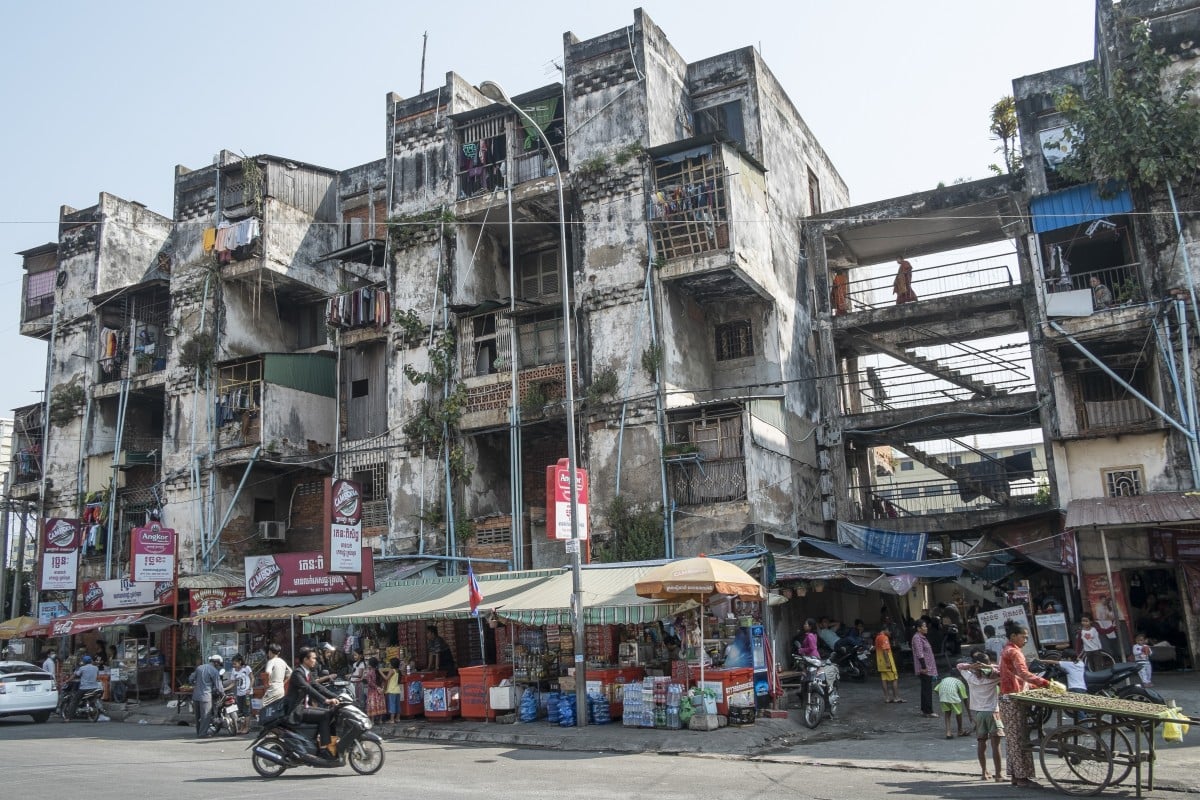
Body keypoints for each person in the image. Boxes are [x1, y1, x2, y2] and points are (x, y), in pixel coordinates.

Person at [998, 620, 1052, 789]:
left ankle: (1016, 775)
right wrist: (1046, 683)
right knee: (1018, 738)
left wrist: (1035, 685)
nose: (1025, 640)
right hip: (1013, 699)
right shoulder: (1014, 652)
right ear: (1013, 636)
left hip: (1009, 697)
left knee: (1014, 738)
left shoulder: (1008, 650)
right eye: (1024, 636)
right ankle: (1022, 777)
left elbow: (1017, 676)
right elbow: (1023, 673)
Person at [957, 649, 1004, 783]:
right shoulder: (994, 678)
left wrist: (972, 666)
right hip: (993, 712)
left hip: (979, 714)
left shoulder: (970, 677)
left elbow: (959, 666)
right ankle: (999, 774)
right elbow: (1002, 669)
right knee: (996, 744)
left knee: (981, 743)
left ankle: (984, 772)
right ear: (988, 664)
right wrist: (989, 667)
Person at [285, 646, 341, 757]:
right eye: (313, 658)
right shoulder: (297, 673)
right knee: (325, 714)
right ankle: (324, 749)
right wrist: (326, 700)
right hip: (296, 710)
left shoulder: (306, 673)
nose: (315, 660)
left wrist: (338, 697)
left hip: (304, 707)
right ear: (305, 660)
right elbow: (308, 689)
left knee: (331, 713)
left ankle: (330, 744)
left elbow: (318, 687)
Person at [190, 654, 225, 738]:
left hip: (196, 696)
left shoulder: (199, 668)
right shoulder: (214, 671)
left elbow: (191, 678)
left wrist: (196, 684)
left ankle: (199, 732)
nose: (218, 666)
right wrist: (223, 694)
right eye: (219, 664)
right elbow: (218, 686)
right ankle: (203, 734)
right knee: (205, 716)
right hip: (206, 696)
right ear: (216, 663)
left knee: (198, 716)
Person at [911, 620, 938, 718]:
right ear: (919, 628)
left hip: (928, 666)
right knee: (927, 689)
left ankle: (925, 710)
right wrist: (924, 667)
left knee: (926, 688)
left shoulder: (922, 638)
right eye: (924, 626)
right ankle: (928, 711)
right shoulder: (917, 638)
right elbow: (919, 653)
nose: (926, 628)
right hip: (925, 668)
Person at [67, 654, 102, 720]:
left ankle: (69, 717)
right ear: (91, 661)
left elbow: (75, 675)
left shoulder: (82, 668)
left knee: (74, 700)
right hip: (94, 687)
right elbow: (97, 677)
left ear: (84, 662)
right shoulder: (96, 668)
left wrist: (68, 680)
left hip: (84, 688)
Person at [935, 672, 969, 738]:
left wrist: (942, 696)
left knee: (947, 713)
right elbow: (965, 698)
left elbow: (936, 690)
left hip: (943, 697)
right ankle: (960, 730)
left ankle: (948, 732)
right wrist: (969, 714)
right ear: (960, 677)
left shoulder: (945, 679)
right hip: (953, 696)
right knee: (959, 713)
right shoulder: (959, 682)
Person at [874, 626, 903, 704]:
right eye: (889, 631)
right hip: (887, 662)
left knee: (884, 680)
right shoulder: (884, 638)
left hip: (880, 662)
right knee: (894, 679)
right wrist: (887, 662)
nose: (890, 633)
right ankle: (896, 697)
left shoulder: (877, 638)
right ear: (885, 630)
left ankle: (887, 698)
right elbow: (885, 651)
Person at [231, 654, 253, 731]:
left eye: (235, 663)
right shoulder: (233, 670)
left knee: (247, 711)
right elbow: (233, 683)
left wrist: (249, 689)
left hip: (247, 694)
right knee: (240, 711)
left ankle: (247, 727)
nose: (234, 665)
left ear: (240, 662)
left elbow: (252, 679)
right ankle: (242, 727)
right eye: (233, 664)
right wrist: (224, 688)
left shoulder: (246, 668)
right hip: (239, 694)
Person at [364, 657, 388, 723]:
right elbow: (383, 680)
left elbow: (370, 682)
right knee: (380, 705)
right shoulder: (379, 671)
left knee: (372, 705)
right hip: (380, 691)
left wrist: (376, 687)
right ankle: (380, 720)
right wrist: (381, 688)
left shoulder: (369, 673)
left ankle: (372, 720)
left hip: (372, 692)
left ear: (370, 664)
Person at [385, 657, 403, 723]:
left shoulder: (392, 670)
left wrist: (380, 672)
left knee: (392, 704)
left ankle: (392, 719)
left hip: (392, 690)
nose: (389, 665)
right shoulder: (398, 671)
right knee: (398, 705)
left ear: (392, 665)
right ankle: (398, 718)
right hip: (397, 690)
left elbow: (386, 678)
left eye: (390, 663)